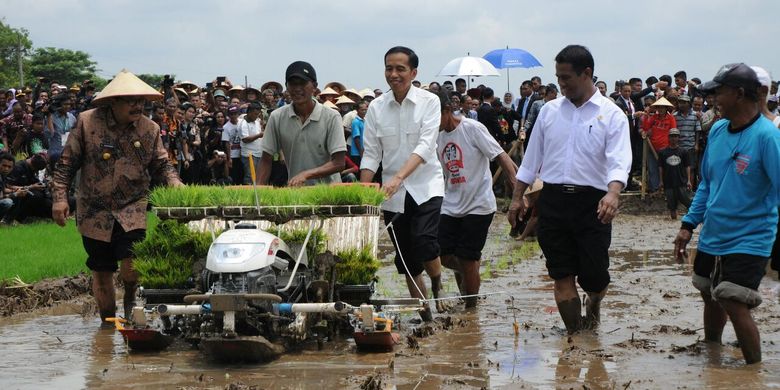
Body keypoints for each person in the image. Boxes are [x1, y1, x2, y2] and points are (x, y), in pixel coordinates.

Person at [508, 45, 631, 334]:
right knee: (561, 275)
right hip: (552, 202)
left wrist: (613, 193)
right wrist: (516, 199)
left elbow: (619, 160)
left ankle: (595, 303)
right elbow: (531, 160)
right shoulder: (549, 112)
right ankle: (576, 338)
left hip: (593, 205)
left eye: (567, 78)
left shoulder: (612, 115)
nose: (561, 84)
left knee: (595, 277)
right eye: (558, 78)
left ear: (586, 73)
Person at [51, 70, 183, 325]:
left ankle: (132, 308)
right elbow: (67, 164)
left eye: (141, 101)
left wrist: (175, 183)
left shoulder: (150, 129)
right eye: (130, 101)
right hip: (94, 210)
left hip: (131, 207)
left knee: (131, 267)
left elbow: (162, 164)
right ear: (114, 101)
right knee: (102, 270)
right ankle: (108, 324)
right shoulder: (87, 123)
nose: (138, 106)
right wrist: (60, 198)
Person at [674, 63, 780, 364]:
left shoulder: (767, 138)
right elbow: (708, 183)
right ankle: (713, 354)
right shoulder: (718, 130)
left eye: (720, 92)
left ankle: (752, 372)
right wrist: (688, 224)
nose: (714, 98)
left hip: (751, 235)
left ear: (740, 94)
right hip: (714, 231)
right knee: (709, 292)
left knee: (733, 298)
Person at [360, 46, 447, 321]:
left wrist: (399, 176)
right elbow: (372, 153)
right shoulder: (376, 107)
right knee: (406, 261)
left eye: (400, 69)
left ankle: (437, 282)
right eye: (389, 68)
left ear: (413, 72)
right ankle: (427, 319)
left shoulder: (430, 102)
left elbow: (425, 146)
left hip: (426, 186)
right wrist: (363, 191)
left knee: (425, 241)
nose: (394, 74)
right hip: (392, 194)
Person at [436, 90, 517, 308]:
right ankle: (470, 274)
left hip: (479, 204)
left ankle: (471, 312)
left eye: (433, 117)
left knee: (467, 257)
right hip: (451, 204)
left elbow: (501, 156)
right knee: (442, 255)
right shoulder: (436, 136)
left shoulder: (472, 128)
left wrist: (516, 190)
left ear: (446, 111)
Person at [258, 61, 346, 186]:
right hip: (297, 193)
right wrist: (257, 195)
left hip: (329, 194)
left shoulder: (331, 117)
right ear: (287, 87)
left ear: (314, 86)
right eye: (292, 84)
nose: (297, 88)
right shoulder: (277, 117)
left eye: (303, 83)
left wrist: (306, 174)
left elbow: (339, 163)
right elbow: (266, 159)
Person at [640, 97, 677, 192]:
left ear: (666, 108)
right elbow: (645, 127)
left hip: (666, 148)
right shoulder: (653, 118)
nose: (660, 109)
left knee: (666, 169)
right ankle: (655, 189)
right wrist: (646, 115)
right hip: (652, 147)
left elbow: (673, 132)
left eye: (663, 107)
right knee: (652, 169)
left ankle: (667, 188)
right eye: (659, 107)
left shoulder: (671, 118)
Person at [658, 128, 691, 219]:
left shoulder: (684, 152)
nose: (673, 139)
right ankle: (674, 219)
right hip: (668, 182)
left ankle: (691, 219)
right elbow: (660, 167)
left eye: (675, 136)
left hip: (681, 181)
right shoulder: (662, 152)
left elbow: (687, 166)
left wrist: (688, 180)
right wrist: (661, 181)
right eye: (672, 136)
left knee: (687, 202)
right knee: (672, 206)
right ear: (668, 138)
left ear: (678, 138)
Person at [238, 102, 264, 184]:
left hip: (258, 153)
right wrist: (259, 135)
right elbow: (245, 139)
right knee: (250, 176)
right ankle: (248, 194)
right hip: (249, 154)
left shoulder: (257, 120)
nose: (256, 116)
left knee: (257, 175)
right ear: (249, 112)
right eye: (255, 114)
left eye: (258, 114)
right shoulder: (243, 123)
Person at [221, 104, 244, 184]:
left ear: (238, 114)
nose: (233, 116)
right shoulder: (226, 127)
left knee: (242, 174)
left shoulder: (242, 122)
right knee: (234, 176)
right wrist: (229, 158)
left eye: (235, 113)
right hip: (233, 155)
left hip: (243, 154)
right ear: (229, 115)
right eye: (231, 114)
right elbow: (227, 143)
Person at [350, 101, 368, 167]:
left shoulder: (365, 120)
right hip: (357, 153)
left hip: (364, 151)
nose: (364, 111)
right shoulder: (356, 122)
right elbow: (356, 138)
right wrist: (361, 152)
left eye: (365, 110)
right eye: (362, 110)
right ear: (357, 110)